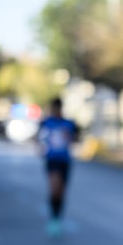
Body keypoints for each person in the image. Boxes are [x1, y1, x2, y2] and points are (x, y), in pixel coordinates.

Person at [37, 97, 80, 237]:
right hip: (52, 160)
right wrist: (41, 149)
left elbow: (76, 138)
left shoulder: (68, 124)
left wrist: (70, 137)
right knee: (54, 188)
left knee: (61, 192)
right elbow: (39, 138)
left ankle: (58, 218)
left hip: (65, 161)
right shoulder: (46, 122)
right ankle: (53, 218)